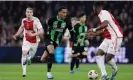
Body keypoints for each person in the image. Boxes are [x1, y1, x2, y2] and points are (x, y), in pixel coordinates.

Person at [34, 6, 73, 79]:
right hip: (49, 39)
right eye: (63, 12)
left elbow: (71, 30)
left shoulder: (67, 21)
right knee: (52, 52)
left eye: (66, 13)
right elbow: (44, 24)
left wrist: (74, 37)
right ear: (59, 13)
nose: (65, 14)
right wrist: (45, 33)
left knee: (43, 59)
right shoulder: (52, 19)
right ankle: (48, 73)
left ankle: (29, 58)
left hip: (56, 42)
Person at [88, 2, 123, 80]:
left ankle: (115, 69)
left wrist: (94, 29)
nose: (93, 10)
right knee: (98, 54)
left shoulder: (104, 13)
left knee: (108, 58)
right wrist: (94, 34)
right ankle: (104, 75)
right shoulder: (101, 16)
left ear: (95, 7)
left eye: (93, 8)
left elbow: (105, 24)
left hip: (116, 37)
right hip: (108, 38)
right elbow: (104, 30)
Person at [13, 7, 44, 77]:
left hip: (35, 42)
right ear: (25, 13)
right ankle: (24, 73)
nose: (29, 13)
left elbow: (41, 31)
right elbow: (21, 27)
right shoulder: (23, 20)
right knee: (24, 53)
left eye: (30, 12)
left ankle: (29, 58)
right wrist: (16, 34)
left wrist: (33, 34)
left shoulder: (36, 20)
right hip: (26, 40)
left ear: (32, 13)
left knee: (31, 57)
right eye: (27, 12)